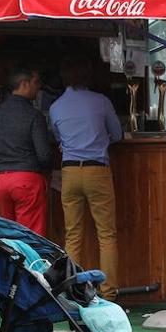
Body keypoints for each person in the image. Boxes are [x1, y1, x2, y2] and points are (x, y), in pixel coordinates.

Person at [49, 56, 123, 298]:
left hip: (69, 171)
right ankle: (109, 292)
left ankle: (72, 290)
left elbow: (58, 139)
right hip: (97, 169)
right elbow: (118, 134)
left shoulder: (56, 106)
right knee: (106, 234)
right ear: (88, 75)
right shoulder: (101, 102)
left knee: (73, 234)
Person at [0, 65, 53, 235]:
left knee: (8, 237)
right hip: (27, 179)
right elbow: (44, 155)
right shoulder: (33, 115)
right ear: (24, 84)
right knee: (32, 237)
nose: (38, 87)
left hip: (0, 180)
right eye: (35, 82)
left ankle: (12, 263)